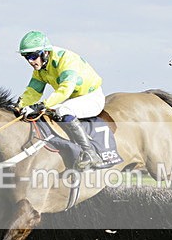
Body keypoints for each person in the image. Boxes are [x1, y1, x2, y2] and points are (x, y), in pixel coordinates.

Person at [16, 30, 107, 170]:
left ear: (45, 52)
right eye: (26, 57)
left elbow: (66, 88)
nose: (30, 61)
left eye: (33, 56)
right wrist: (19, 106)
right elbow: (32, 92)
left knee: (62, 110)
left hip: (91, 97)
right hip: (72, 99)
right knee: (50, 112)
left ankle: (90, 153)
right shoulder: (41, 69)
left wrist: (41, 105)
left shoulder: (66, 60)